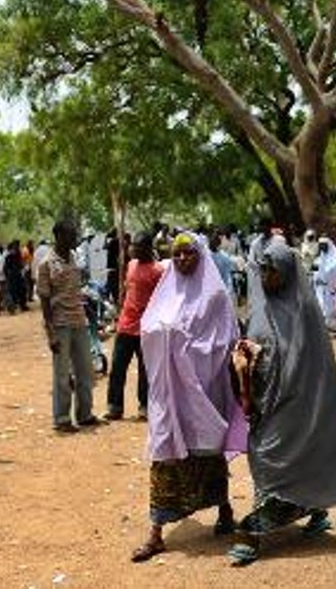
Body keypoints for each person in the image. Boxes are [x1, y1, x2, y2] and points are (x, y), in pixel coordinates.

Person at [227, 238, 336, 566]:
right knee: (264, 454)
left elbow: (315, 364)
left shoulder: (305, 309)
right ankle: (311, 506)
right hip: (266, 399)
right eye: (262, 270)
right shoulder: (260, 306)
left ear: (288, 272)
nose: (266, 277)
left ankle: (255, 531)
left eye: (272, 271)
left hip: (300, 403)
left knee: (279, 456)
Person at [130, 231, 247, 563]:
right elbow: (147, 330)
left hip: (203, 390)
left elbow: (224, 342)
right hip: (168, 393)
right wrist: (165, 338)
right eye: (177, 254)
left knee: (210, 451)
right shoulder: (164, 291)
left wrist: (183, 346)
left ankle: (225, 511)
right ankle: (156, 533)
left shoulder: (216, 297)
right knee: (163, 453)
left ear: (201, 255)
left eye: (188, 254)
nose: (181, 259)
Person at [35, 219, 102, 432]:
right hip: (60, 324)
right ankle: (62, 418)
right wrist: (50, 333)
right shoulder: (46, 263)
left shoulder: (73, 257)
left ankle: (85, 414)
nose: (74, 238)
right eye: (71, 234)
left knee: (86, 371)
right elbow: (44, 300)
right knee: (62, 374)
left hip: (79, 320)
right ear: (59, 236)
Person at [107, 232, 163, 421]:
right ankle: (114, 406)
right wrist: (119, 313)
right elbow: (126, 291)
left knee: (145, 369)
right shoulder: (130, 265)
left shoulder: (158, 271)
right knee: (117, 367)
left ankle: (144, 406)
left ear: (148, 248)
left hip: (146, 327)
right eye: (133, 246)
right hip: (126, 325)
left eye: (138, 247)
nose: (133, 249)